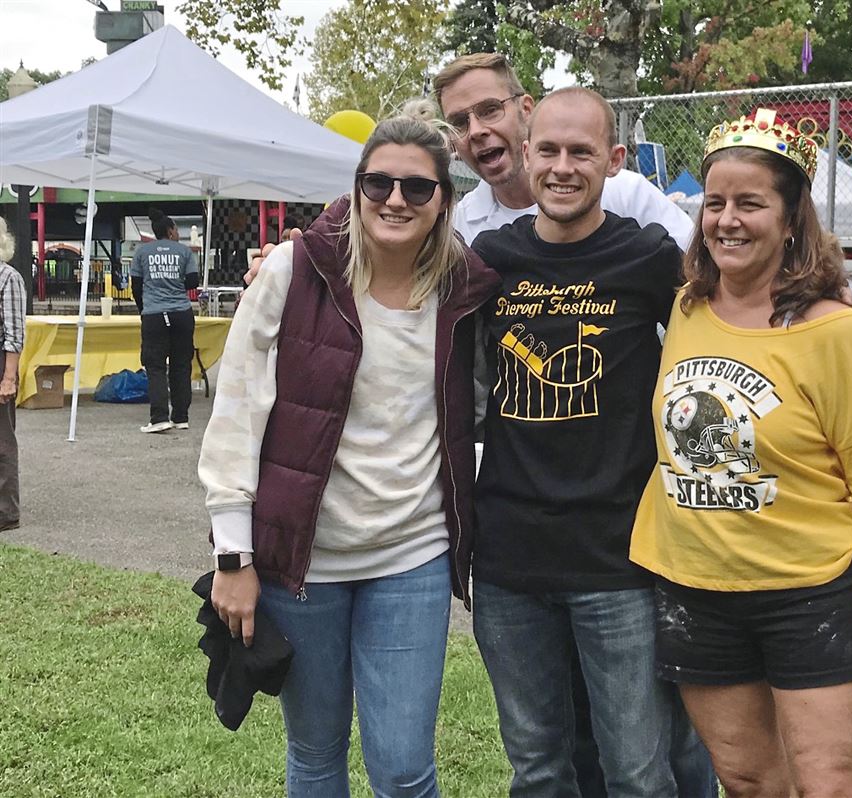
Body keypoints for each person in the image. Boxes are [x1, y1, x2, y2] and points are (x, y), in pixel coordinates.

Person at [433, 54, 713, 795]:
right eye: (548, 151)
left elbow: (733, 315)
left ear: (612, 161)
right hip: (509, 563)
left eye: (581, 152)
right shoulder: (489, 256)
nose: (562, 167)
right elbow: (401, 303)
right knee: (537, 767)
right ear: (527, 153)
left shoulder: (648, 254)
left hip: (617, 558)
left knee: (636, 772)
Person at [199, 110, 500, 797]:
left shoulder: (464, 287)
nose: (395, 200)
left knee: (402, 767)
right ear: (357, 187)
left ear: (444, 202)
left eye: (418, 189)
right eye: (378, 183)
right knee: (315, 751)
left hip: (412, 556)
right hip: (303, 562)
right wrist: (232, 556)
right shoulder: (294, 270)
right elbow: (237, 412)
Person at [628, 110, 852, 798]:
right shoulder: (688, 310)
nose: (727, 219)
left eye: (750, 203)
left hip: (808, 593)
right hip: (695, 588)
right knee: (750, 780)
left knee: (828, 781)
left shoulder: (836, 334)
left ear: (791, 220)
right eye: (716, 203)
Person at [433, 53, 695, 250]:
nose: (477, 130)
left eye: (490, 110)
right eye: (459, 122)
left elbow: (700, 272)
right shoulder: (459, 231)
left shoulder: (625, 195)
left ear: (526, 109)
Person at [131, 210, 199, 433]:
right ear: (170, 231)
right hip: (181, 313)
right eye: (177, 230)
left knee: (156, 366)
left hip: (153, 315)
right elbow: (192, 282)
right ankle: (181, 416)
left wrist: (146, 308)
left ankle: (159, 416)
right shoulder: (185, 252)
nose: (178, 233)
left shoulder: (142, 253)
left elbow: (136, 286)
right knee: (181, 364)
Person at [0, 217, 26, 531]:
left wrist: (9, 377)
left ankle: (6, 511)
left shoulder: (9, 278)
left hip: (1, 361)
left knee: (2, 440)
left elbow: (14, 333)